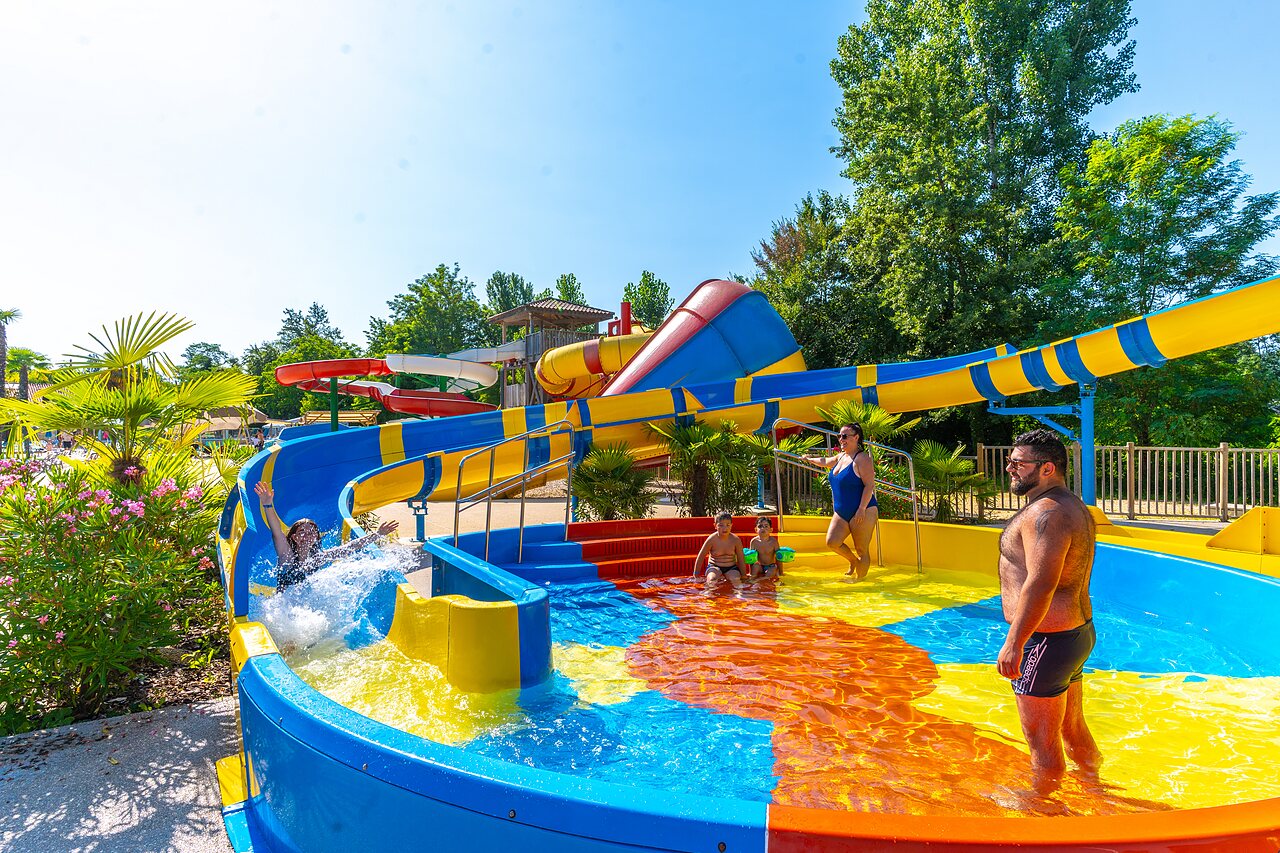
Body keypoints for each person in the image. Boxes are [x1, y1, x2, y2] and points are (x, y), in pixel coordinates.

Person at [996, 429, 1102, 789]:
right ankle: (1095, 789)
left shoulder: (1047, 514)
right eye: (1011, 461)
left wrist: (1015, 642)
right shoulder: (1072, 506)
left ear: (1047, 469)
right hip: (1073, 636)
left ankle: (1042, 818)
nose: (1010, 469)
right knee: (1072, 729)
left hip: (1045, 641)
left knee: (1042, 746)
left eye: (1018, 463)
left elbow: (1042, 583)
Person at [254, 482, 399, 590]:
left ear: (316, 538)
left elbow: (350, 548)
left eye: (312, 532)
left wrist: (377, 534)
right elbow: (276, 531)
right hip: (282, 609)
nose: (307, 535)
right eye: (302, 531)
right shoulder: (287, 555)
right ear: (293, 537)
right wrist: (267, 505)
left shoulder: (318, 558)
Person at [814, 423, 878, 578]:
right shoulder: (841, 457)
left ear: (856, 437)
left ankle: (860, 584)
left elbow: (869, 485)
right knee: (832, 542)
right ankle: (853, 561)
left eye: (844, 436)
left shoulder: (863, 459)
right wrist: (808, 459)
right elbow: (825, 461)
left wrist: (861, 508)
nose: (841, 439)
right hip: (842, 512)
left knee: (862, 550)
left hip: (863, 510)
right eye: (839, 436)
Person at [693, 511, 750, 589]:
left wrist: (744, 575)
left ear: (731, 526)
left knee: (736, 580)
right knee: (712, 580)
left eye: (728, 525)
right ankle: (708, 595)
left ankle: (739, 597)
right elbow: (701, 556)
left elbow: (741, 558)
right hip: (714, 566)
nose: (725, 528)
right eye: (721, 525)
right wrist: (696, 575)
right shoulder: (712, 539)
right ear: (715, 526)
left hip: (731, 567)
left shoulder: (735, 540)